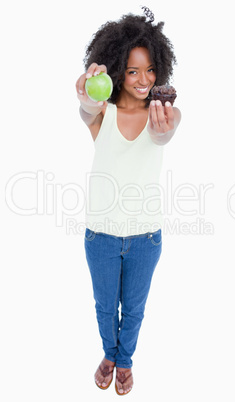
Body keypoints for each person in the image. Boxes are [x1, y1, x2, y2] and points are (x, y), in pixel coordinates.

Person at [75, 7, 181, 395]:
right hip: (100, 235)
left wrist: (165, 130)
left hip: (145, 238)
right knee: (106, 308)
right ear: (119, 68)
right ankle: (109, 353)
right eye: (134, 70)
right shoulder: (103, 112)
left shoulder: (165, 114)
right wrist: (87, 87)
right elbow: (87, 105)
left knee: (133, 310)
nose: (143, 79)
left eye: (151, 70)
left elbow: (165, 134)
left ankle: (125, 360)